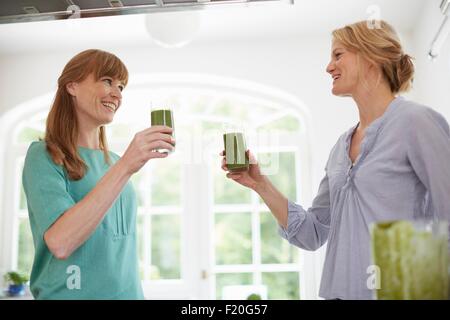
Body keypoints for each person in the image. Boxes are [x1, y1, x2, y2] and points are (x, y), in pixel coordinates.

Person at [221, 20, 450, 300]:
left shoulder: (417, 123)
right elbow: (312, 233)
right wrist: (260, 184)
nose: (329, 67)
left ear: (371, 59)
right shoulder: (340, 148)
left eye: (338, 55)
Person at [22, 49, 175, 299]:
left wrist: (123, 165)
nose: (117, 93)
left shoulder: (114, 162)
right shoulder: (43, 155)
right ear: (72, 86)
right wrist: (125, 166)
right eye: (107, 81)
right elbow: (60, 242)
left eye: (121, 86)